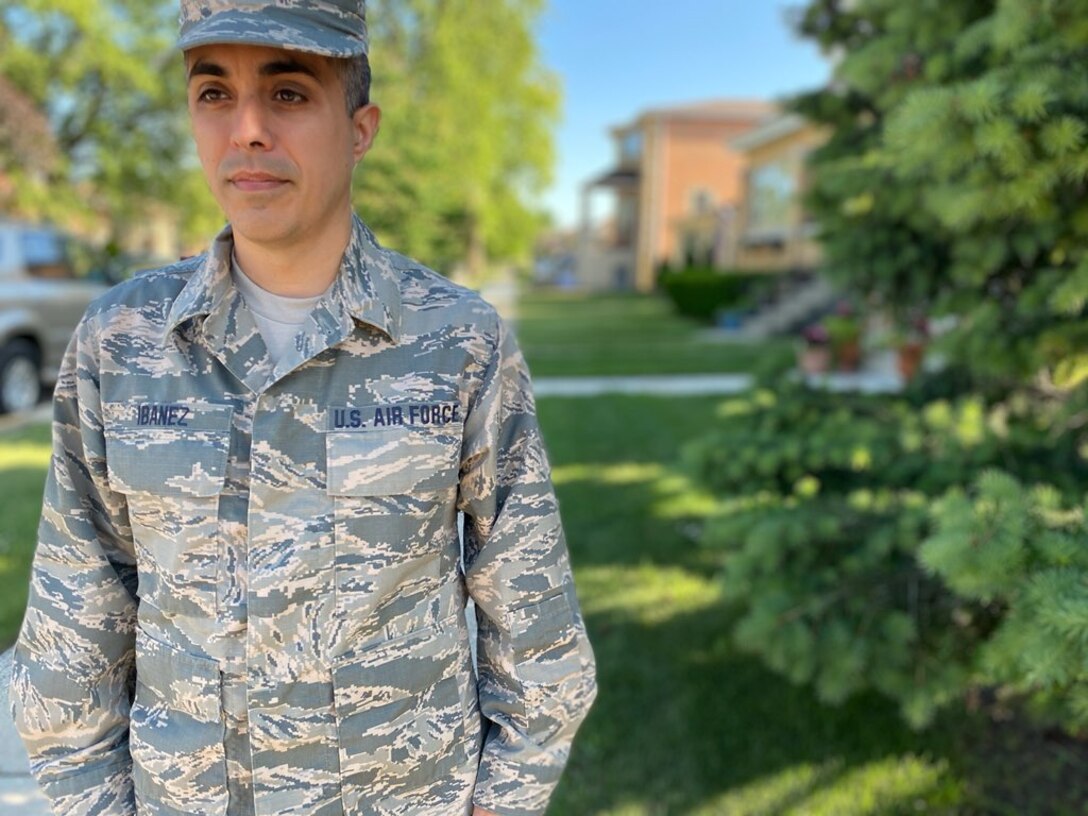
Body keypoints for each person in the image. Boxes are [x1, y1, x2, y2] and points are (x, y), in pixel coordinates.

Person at [9, 2, 597, 814]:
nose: (246, 129)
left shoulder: (457, 341)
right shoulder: (122, 343)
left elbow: (532, 613)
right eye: (213, 93)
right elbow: (74, 620)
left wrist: (504, 799)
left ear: (360, 128)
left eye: (288, 93)